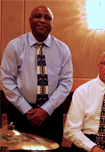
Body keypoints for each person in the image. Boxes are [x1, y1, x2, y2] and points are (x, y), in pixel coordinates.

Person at [0, 5, 73, 152]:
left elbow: (65, 82)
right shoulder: (15, 46)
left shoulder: (62, 49)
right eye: (38, 16)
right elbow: (7, 80)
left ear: (52, 23)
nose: (42, 20)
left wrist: (45, 110)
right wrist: (27, 109)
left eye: (47, 18)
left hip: (50, 115)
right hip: (21, 113)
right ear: (30, 20)